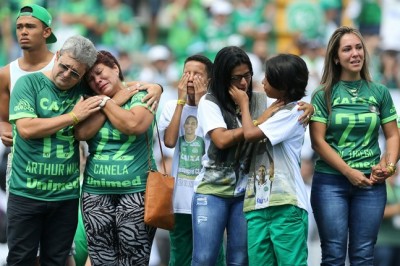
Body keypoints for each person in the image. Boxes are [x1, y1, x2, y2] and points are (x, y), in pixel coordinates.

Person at [309, 26, 399, 265]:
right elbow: (317, 142)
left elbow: (393, 136)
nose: (355, 53)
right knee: (334, 255)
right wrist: (349, 172)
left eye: (358, 47)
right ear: (336, 58)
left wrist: (388, 166)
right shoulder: (323, 94)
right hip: (330, 183)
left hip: (370, 183)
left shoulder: (379, 91)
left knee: (363, 256)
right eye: (347, 49)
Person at [7, 35, 99, 266]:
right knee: (21, 260)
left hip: (65, 196)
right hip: (26, 192)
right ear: (56, 56)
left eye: (75, 73)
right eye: (65, 66)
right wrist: (73, 116)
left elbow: (117, 83)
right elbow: (26, 128)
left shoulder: (83, 90)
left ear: (84, 73)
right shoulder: (28, 84)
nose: (67, 74)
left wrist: (155, 87)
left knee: (56, 261)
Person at [74, 50, 161, 265]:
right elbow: (82, 133)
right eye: (91, 79)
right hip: (95, 194)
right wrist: (106, 102)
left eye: (100, 72)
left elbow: (133, 125)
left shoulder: (141, 96)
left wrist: (106, 102)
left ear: (115, 67)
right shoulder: (89, 102)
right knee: (101, 260)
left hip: (136, 192)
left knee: (133, 260)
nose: (97, 80)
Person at [230, 53, 310, 266]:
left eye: (268, 78)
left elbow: (249, 134)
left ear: (283, 85)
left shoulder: (294, 112)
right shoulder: (274, 109)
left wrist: (244, 104)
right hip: (257, 204)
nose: (262, 81)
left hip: (286, 204)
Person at [158, 54, 225, 266]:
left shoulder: (217, 108)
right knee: (179, 256)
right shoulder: (171, 106)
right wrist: (180, 102)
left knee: (214, 256)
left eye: (197, 74)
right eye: (187, 72)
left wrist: (203, 100)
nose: (190, 78)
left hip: (210, 196)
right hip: (180, 199)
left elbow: (217, 143)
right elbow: (169, 141)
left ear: (209, 80)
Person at [0, 4, 56, 187]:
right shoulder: (6, 73)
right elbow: (4, 119)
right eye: (19, 27)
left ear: (46, 32)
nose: (23, 32)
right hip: (21, 175)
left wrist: (149, 87)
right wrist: (4, 129)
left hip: (60, 172)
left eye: (30, 26)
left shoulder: (63, 67)